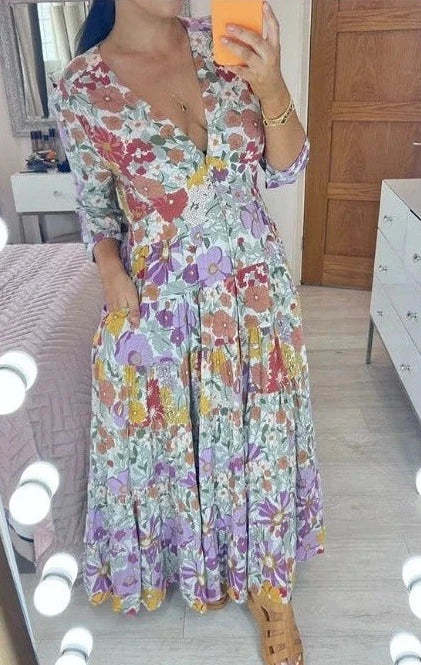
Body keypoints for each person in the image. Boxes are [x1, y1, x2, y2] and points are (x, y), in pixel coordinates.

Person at [49, 1, 325, 663]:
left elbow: (286, 168)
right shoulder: (82, 87)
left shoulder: (224, 46)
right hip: (165, 301)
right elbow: (96, 211)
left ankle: (271, 592)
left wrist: (271, 84)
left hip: (255, 295)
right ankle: (207, 559)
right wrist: (111, 272)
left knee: (262, 441)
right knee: (193, 441)